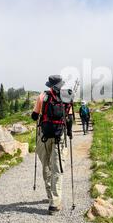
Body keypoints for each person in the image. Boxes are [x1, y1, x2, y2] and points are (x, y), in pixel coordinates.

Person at [31, 75, 73, 215]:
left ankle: (50, 195)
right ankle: (54, 203)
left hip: (44, 135)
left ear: (50, 85)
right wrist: (70, 133)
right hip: (59, 136)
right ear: (61, 84)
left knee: (46, 166)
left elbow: (34, 116)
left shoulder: (42, 96)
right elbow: (70, 118)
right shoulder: (67, 96)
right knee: (58, 167)